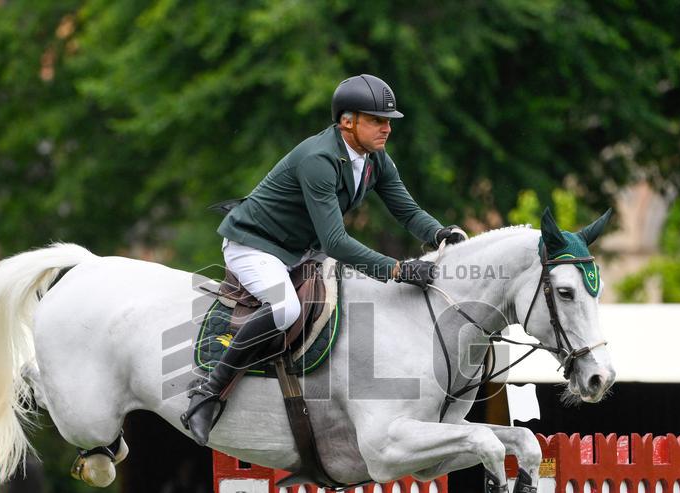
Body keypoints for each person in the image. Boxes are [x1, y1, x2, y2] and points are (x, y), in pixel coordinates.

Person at [181, 74, 467, 445]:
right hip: (255, 246)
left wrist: (438, 233)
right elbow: (336, 242)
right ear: (346, 121)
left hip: (300, 250)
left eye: (388, 121)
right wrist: (397, 270)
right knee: (285, 310)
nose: (386, 129)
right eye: (376, 120)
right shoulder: (318, 159)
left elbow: (407, 210)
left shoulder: (374, 159)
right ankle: (208, 393)